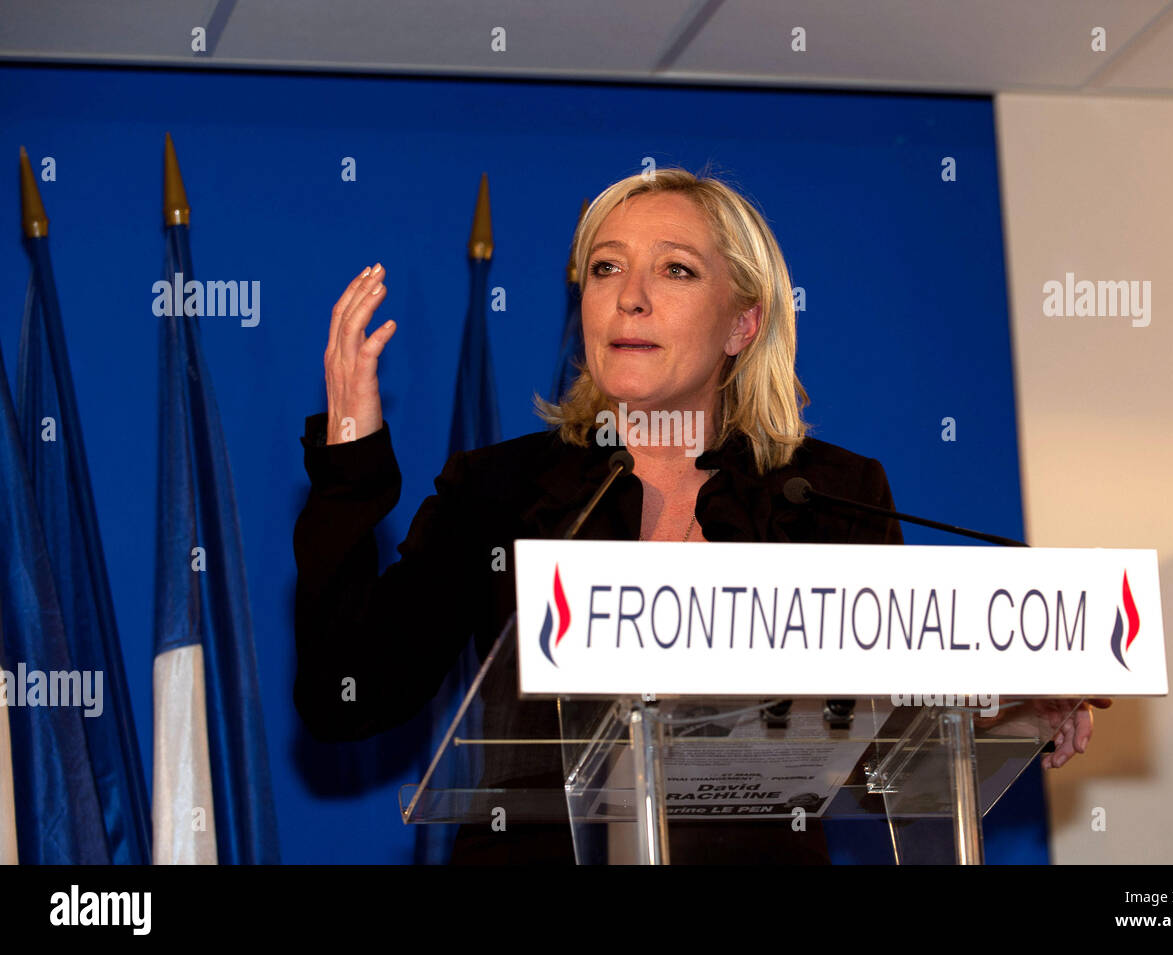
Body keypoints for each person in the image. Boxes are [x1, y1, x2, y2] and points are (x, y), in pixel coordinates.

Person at [293, 168, 1103, 864]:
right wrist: (349, 462)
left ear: (742, 323)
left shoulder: (826, 496)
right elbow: (345, 696)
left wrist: (1011, 708)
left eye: (675, 271)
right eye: (605, 269)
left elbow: (887, 741)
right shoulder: (503, 488)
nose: (630, 298)